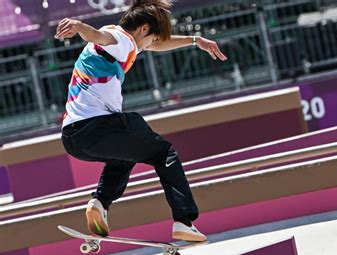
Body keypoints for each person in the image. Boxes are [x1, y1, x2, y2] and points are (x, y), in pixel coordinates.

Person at [56, 0, 227, 242]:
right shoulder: (120, 39)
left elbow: (157, 44)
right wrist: (79, 26)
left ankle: (100, 203)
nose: (151, 46)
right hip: (98, 128)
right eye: (151, 39)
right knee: (163, 151)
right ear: (144, 29)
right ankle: (184, 221)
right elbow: (99, 35)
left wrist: (195, 40)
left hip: (73, 137)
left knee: (128, 152)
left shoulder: (123, 44)